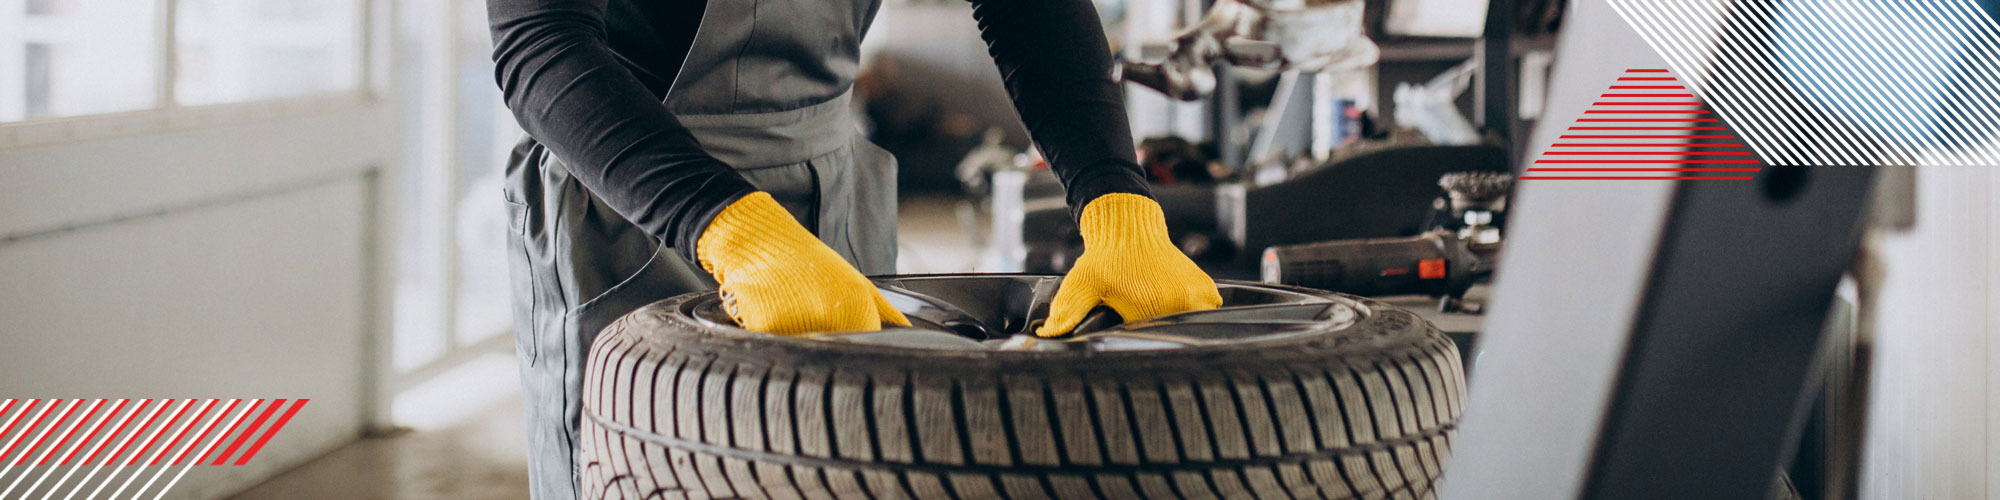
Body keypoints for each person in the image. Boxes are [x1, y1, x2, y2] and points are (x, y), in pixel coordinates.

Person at [487, 0, 1222, 497]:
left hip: (832, 191)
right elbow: (538, 44)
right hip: (634, 204)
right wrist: (737, 230)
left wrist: (1115, 199)